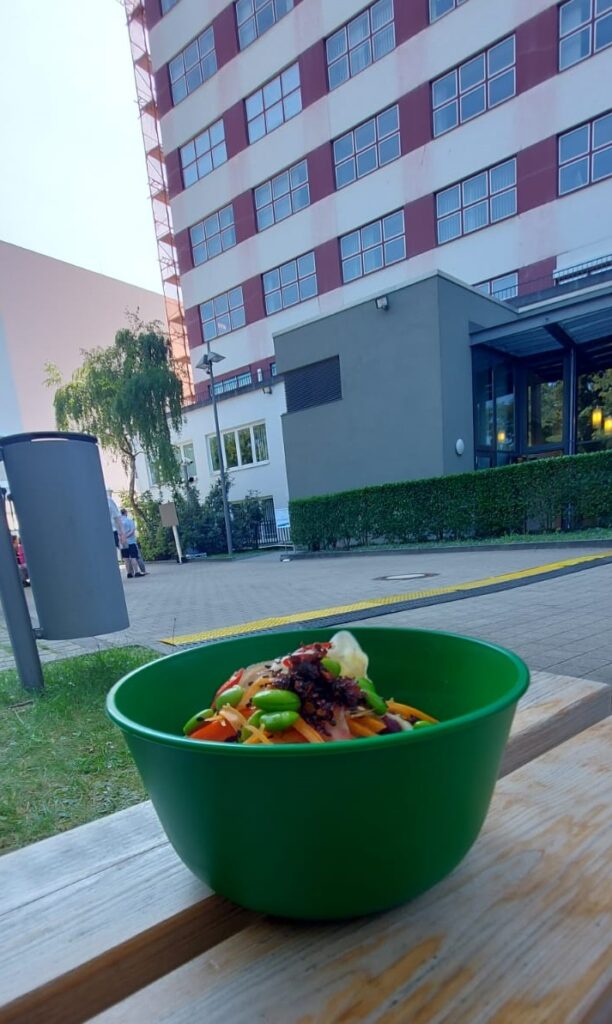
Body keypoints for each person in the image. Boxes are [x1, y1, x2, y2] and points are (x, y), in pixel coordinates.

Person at [119, 508, 144, 578]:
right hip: (131, 541)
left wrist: (122, 538)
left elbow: (118, 533)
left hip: (123, 542)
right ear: (126, 513)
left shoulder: (119, 523)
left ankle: (129, 573)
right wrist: (126, 536)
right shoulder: (129, 521)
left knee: (126, 558)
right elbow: (132, 531)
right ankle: (136, 572)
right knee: (133, 557)